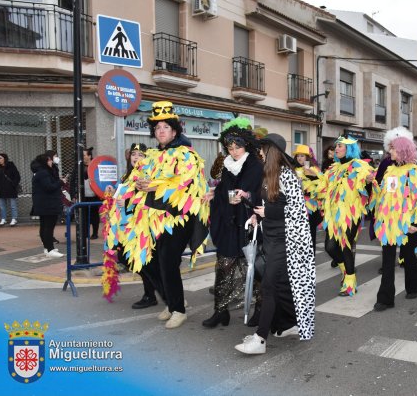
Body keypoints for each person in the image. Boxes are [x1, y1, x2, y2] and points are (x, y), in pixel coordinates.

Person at [109, 101, 209, 329]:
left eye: (165, 127)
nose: (160, 131)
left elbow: (185, 182)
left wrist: (154, 186)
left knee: (167, 261)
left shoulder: (187, 154)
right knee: (149, 260)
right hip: (154, 218)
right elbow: (134, 177)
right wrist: (128, 189)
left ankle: (179, 310)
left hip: (180, 217)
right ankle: (173, 301)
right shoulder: (152, 155)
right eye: (157, 128)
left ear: (174, 130)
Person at [235, 133, 315, 355]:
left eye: (263, 149)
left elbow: (298, 211)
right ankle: (288, 323)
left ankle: (260, 339)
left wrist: (266, 212)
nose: (259, 152)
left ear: (272, 152)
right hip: (270, 236)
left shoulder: (288, 175)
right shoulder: (268, 174)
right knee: (279, 286)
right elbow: (269, 204)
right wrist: (256, 214)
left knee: (269, 285)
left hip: (286, 239)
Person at [204, 117, 263, 328]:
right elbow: (223, 190)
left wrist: (247, 195)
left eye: (237, 146)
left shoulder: (255, 164)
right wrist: (214, 195)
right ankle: (220, 311)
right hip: (229, 224)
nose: (234, 151)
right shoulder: (228, 166)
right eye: (230, 147)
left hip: (249, 224)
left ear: (245, 145)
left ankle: (260, 310)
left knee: (255, 270)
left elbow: (262, 192)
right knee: (223, 267)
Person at [371, 128, 417, 310]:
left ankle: (413, 286)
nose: (389, 151)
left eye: (392, 148)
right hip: (389, 222)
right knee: (388, 259)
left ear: (401, 151)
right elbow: (384, 196)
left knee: (407, 255)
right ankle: (385, 299)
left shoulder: (414, 172)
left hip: (408, 223)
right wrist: (374, 184)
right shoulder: (389, 170)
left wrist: (415, 224)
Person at [307, 136, 374, 296]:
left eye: (340, 146)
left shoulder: (359, 166)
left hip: (351, 213)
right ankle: (346, 271)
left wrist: (369, 182)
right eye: (336, 146)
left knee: (346, 246)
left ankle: (350, 284)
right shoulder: (333, 168)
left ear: (349, 149)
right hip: (333, 214)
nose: (336, 149)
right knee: (330, 247)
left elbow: (367, 191)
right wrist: (314, 179)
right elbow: (324, 188)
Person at [100, 143, 159, 308]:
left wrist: (127, 201)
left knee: (143, 262)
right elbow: (121, 197)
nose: (136, 157)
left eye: (140, 155)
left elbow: (148, 200)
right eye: (134, 154)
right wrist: (113, 193)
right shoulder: (126, 176)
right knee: (127, 259)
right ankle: (155, 290)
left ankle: (151, 295)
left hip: (141, 227)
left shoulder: (147, 176)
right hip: (126, 227)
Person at [31, 154, 65, 258]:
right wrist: (61, 182)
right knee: (48, 227)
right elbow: (49, 187)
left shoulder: (41, 172)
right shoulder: (43, 173)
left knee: (45, 226)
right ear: (45, 161)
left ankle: (48, 248)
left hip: (45, 204)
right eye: (50, 160)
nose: (51, 162)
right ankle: (49, 249)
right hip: (48, 204)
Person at [292, 144, 323, 252]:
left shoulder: (314, 169)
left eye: (302, 156)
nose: (300, 158)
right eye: (298, 156)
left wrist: (311, 175)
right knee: (298, 236)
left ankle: (310, 260)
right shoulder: (293, 170)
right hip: (297, 206)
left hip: (311, 207)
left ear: (307, 158)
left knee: (310, 235)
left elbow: (322, 186)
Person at [70, 147, 101, 239]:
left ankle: (95, 233)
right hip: (83, 195)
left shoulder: (96, 166)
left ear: (89, 156)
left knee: (94, 215)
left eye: (83, 155)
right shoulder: (78, 167)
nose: (82, 157)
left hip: (95, 195)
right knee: (84, 214)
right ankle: (85, 233)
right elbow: (72, 182)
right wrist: (73, 195)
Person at [0, 153, 21, 226]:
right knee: (2, 206)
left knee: (13, 205)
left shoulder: (11, 166)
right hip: (1, 189)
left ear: (5, 158)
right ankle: (3, 219)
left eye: (0, 158)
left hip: (11, 189)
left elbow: (17, 176)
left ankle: (14, 218)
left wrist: (13, 184)